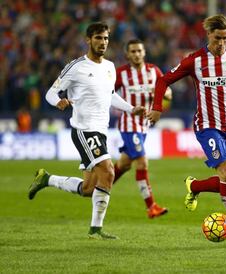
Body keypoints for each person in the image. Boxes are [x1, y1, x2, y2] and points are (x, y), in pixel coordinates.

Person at [147, 14, 226, 247]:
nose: (221, 43)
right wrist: (156, 108)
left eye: (225, 38)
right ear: (208, 35)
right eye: (217, 38)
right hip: (207, 126)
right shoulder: (194, 60)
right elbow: (163, 81)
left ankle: (193, 186)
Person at [28, 22, 145, 239]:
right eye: (99, 38)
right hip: (83, 130)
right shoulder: (76, 67)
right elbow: (50, 93)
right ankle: (96, 230)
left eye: (106, 38)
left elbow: (110, 95)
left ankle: (47, 179)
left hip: (100, 131)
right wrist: (59, 101)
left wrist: (131, 109)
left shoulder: (110, 67)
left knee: (89, 188)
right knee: (109, 172)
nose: (103, 42)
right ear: (88, 40)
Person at [113, 39, 171, 218]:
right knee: (142, 162)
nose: (136, 54)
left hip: (144, 126)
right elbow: (108, 93)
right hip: (129, 125)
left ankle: (98, 188)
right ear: (127, 54)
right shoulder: (121, 73)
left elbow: (168, 93)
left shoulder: (154, 71)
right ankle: (151, 206)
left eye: (139, 51)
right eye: (133, 51)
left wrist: (161, 95)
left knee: (124, 164)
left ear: (144, 52)